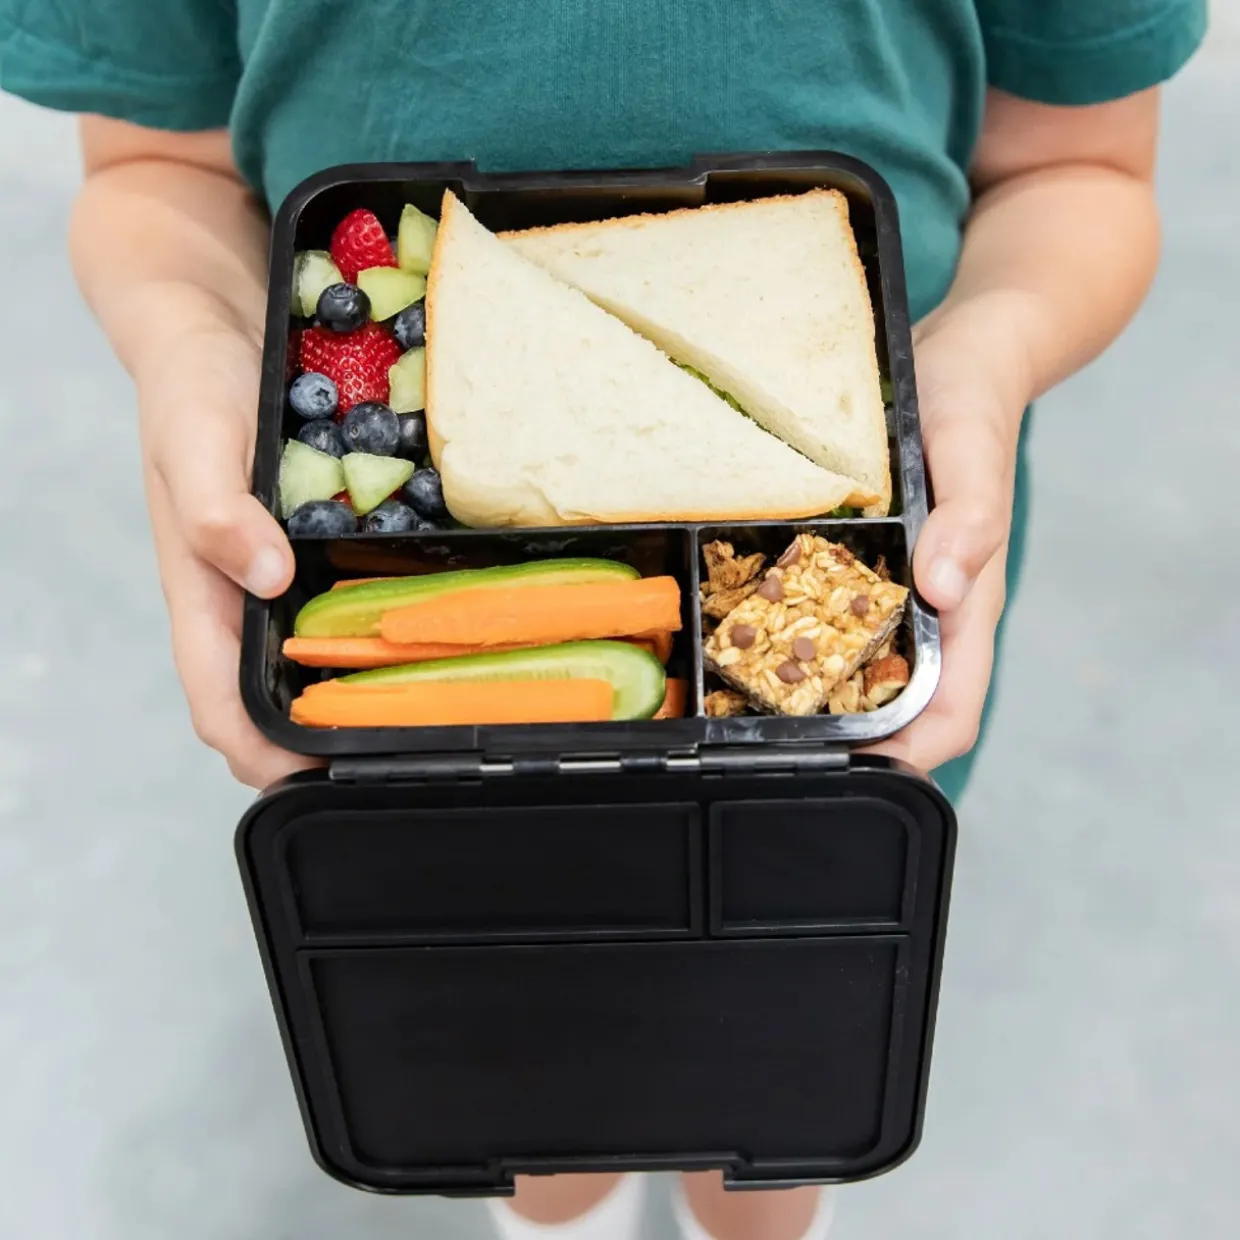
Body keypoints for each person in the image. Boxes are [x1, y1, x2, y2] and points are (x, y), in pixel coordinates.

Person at [0, 1, 1206, 1237]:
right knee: (528, 1061)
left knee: (791, 1043)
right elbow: (159, 167)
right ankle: (556, 1199)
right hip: (435, 726)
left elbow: (1077, 167)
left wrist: (987, 354)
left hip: (904, 519)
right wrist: (190, 335)